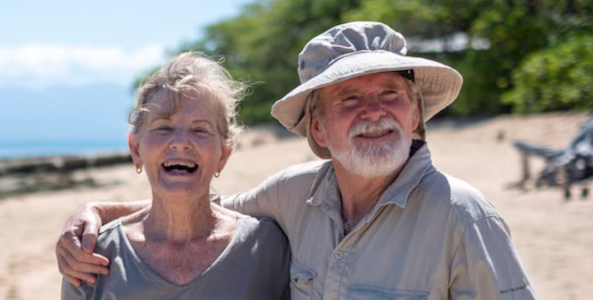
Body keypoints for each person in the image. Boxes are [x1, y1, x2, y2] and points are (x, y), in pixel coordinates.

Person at [58, 22, 536, 299]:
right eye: (350, 98)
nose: (374, 111)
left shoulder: (463, 216)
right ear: (319, 129)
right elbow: (197, 205)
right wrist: (95, 213)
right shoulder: (292, 197)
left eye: (391, 94)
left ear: (414, 116)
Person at [60, 52, 291, 299]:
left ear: (223, 154)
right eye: (164, 128)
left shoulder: (267, 247)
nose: (181, 143)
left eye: (199, 130)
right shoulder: (91, 256)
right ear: (136, 149)